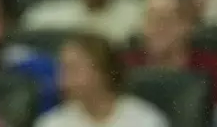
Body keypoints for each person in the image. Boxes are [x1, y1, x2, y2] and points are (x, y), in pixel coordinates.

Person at [124, 0, 217, 105]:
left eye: (166, 20)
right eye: (150, 20)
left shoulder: (213, 67)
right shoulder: (124, 66)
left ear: (188, 26)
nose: (157, 28)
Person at [35, 33, 169, 127]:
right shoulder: (52, 123)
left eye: (73, 69)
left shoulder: (145, 121)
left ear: (103, 71)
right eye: (62, 70)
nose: (63, 80)